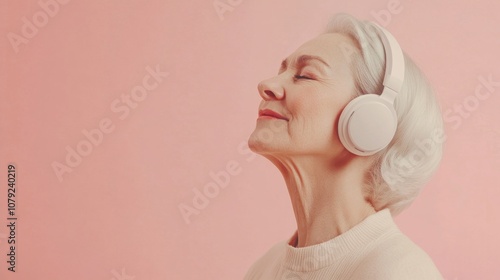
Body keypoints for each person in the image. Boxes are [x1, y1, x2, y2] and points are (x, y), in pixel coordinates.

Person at [244, 13, 444, 280]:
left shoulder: (399, 272)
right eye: (282, 71)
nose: (266, 85)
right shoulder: (264, 269)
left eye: (304, 76)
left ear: (369, 121)